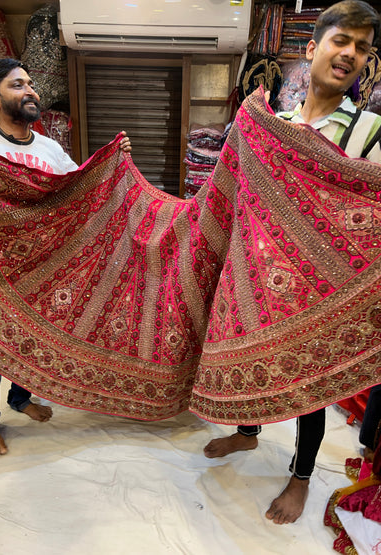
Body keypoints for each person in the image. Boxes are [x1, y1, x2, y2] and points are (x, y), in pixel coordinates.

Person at [204, 0, 381, 525]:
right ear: (313, 47)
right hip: (256, 279)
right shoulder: (270, 124)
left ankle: (301, 477)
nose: (350, 54)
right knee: (244, 358)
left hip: (319, 294)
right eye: (341, 40)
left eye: (363, 48)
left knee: (309, 390)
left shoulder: (367, 133)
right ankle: (247, 431)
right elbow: (229, 195)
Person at [0, 57, 131, 458]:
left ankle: (20, 399)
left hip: (41, 273)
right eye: (17, 85)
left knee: (37, 346)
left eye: (30, 84)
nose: (30, 91)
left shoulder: (49, 148)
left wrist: (111, 162)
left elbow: (80, 191)